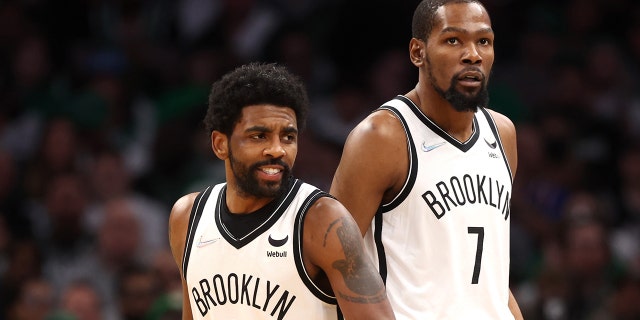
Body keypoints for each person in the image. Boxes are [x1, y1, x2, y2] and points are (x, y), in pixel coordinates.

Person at [329, 1, 524, 319]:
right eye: (453, 40)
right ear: (418, 52)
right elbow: (331, 265)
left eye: (483, 41)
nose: (472, 54)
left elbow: (491, 273)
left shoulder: (502, 133)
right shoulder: (382, 136)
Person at [168, 62, 395, 320]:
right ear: (220, 144)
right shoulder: (187, 217)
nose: (277, 150)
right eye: (259, 136)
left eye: (288, 137)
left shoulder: (320, 219)